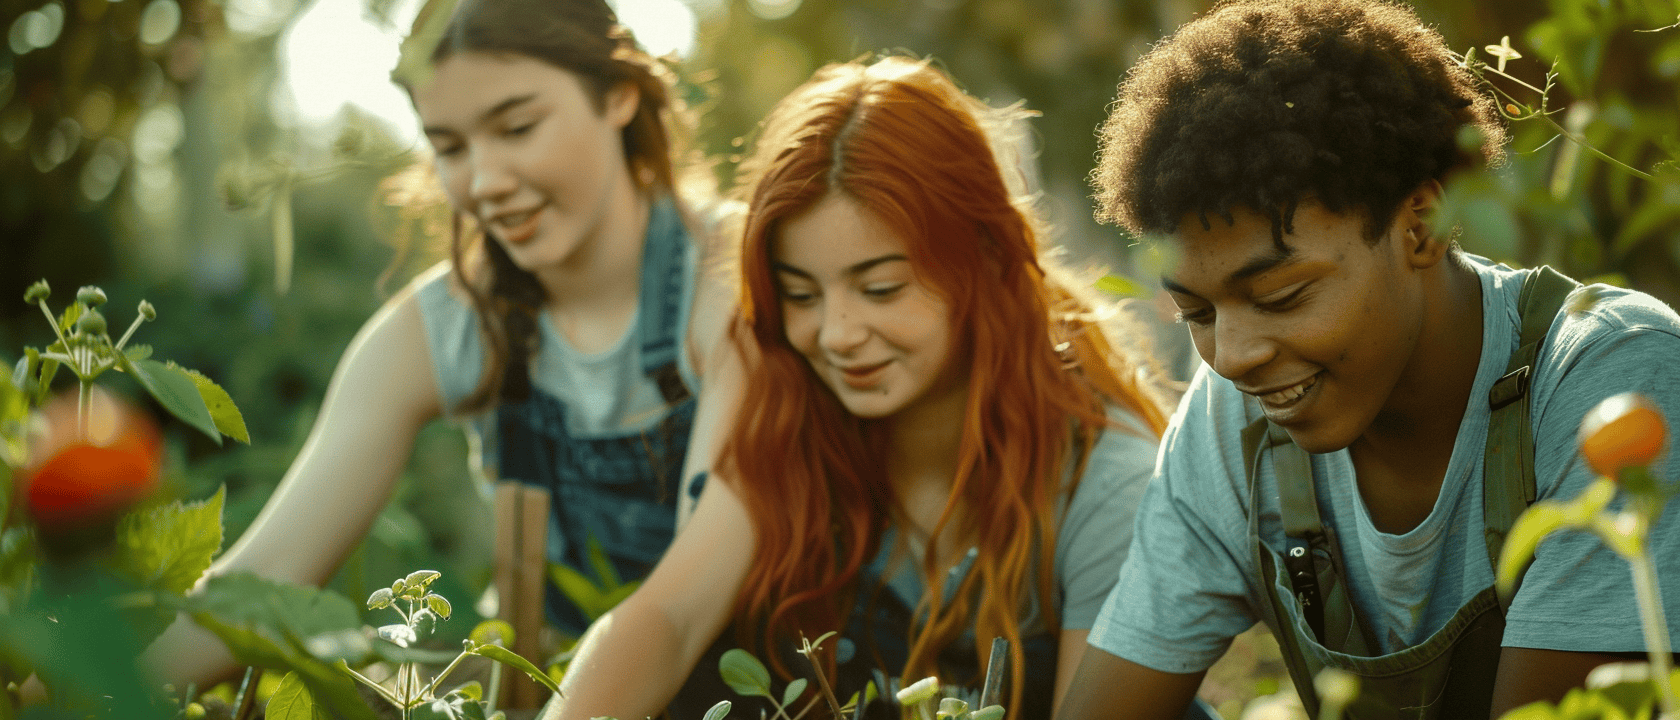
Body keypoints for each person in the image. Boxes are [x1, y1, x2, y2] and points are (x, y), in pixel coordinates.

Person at [1057, 1, 1680, 718]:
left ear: (1421, 223)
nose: (1230, 357)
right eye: (1197, 313)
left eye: (1282, 296)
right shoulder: (1234, 421)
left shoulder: (1610, 377)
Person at [546, 56, 1173, 720]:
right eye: (801, 294)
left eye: (881, 289)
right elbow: (666, 622)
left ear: (985, 257)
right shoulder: (791, 424)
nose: (837, 333)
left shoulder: (1107, 481)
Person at [143, 0, 738, 685]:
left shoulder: (728, 277)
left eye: (517, 127)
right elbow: (264, 578)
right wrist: (89, 689)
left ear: (619, 95)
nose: (484, 183)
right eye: (450, 147)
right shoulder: (443, 327)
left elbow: (688, 602)